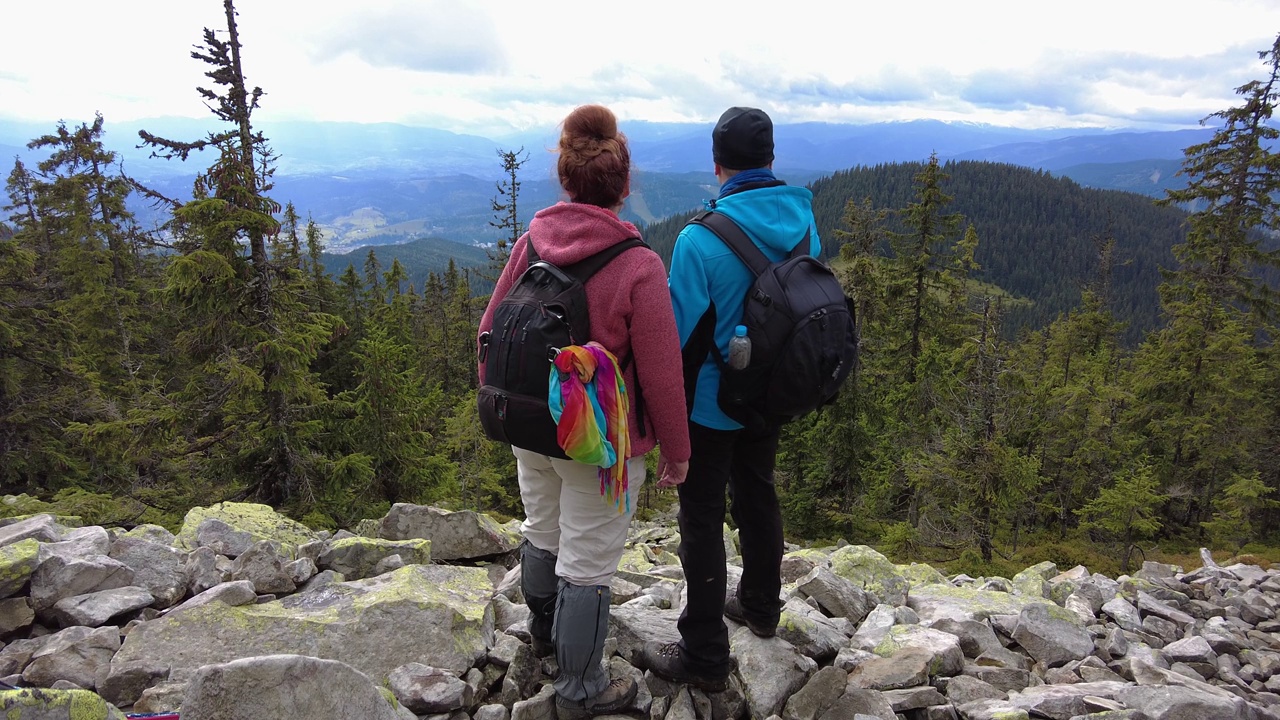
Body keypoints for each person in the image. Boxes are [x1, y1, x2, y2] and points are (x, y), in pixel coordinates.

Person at [477, 104, 691, 719]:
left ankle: (545, 636)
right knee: (589, 562)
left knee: (541, 531)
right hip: (595, 443)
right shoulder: (638, 265)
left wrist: (506, 401)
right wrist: (676, 451)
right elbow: (660, 372)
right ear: (623, 188)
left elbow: (490, 331)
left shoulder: (531, 244)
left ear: (566, 179)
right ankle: (580, 689)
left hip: (528, 423)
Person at [634, 107, 820, 691]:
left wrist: (665, 424)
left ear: (717, 165)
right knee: (758, 493)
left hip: (713, 405)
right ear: (770, 159)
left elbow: (678, 339)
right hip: (772, 395)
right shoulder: (803, 221)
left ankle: (706, 657)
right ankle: (762, 608)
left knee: (701, 518)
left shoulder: (697, 239)